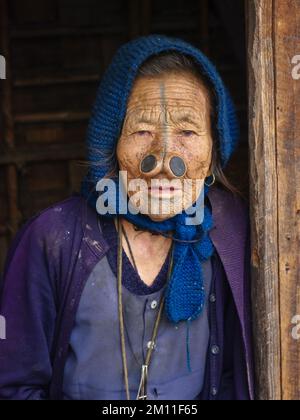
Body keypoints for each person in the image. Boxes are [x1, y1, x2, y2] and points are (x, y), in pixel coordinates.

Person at [0, 34, 254, 400]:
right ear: (110, 145)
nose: (165, 160)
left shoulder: (227, 237)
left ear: (214, 151)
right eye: (142, 130)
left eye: (187, 131)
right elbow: (14, 385)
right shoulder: (52, 239)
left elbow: (235, 377)